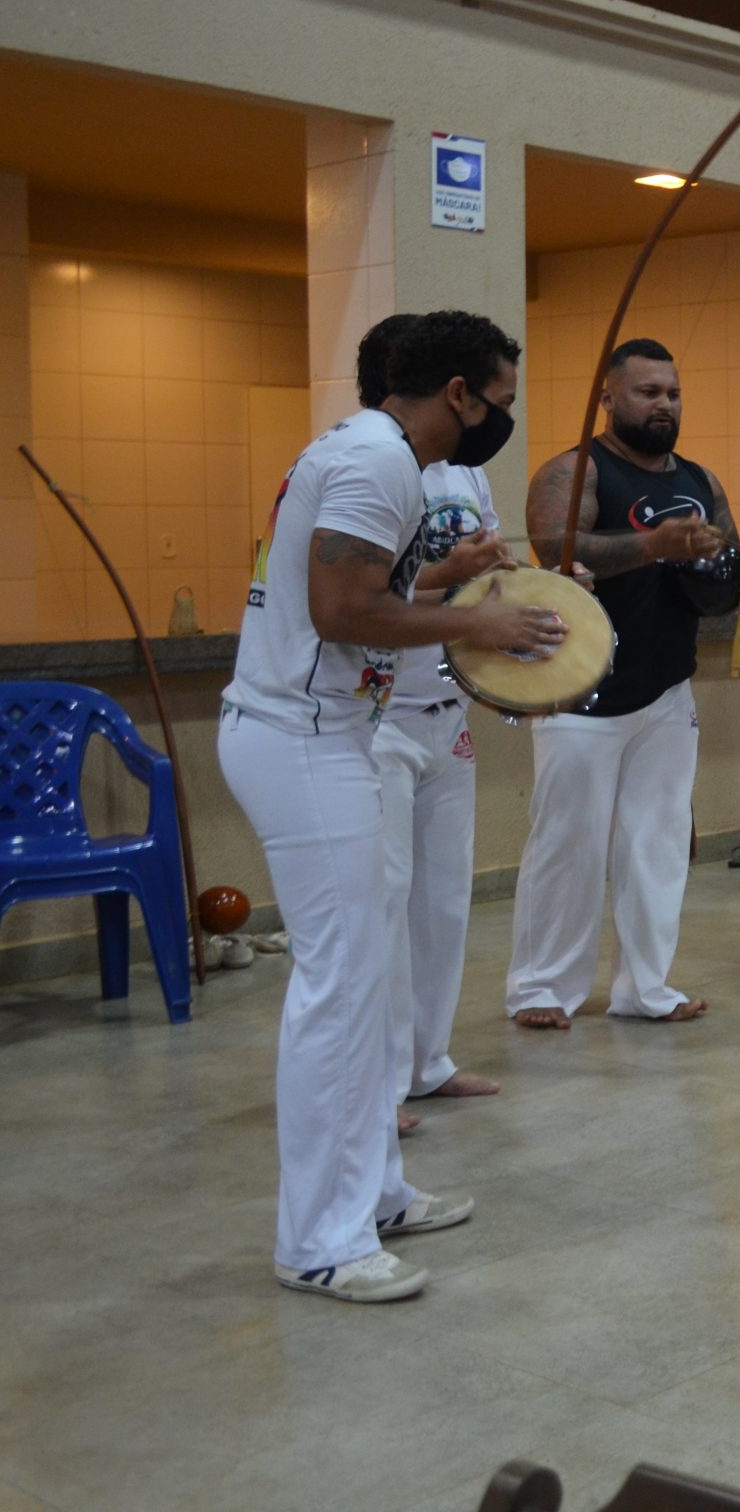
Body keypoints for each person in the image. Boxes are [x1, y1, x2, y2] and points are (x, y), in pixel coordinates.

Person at [219, 308, 554, 1302]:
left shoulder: (373, 453)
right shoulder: (377, 461)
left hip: (330, 733)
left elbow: (367, 588)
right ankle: (321, 1241)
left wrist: (453, 584)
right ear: (457, 393)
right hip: (302, 738)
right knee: (339, 986)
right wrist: (476, 622)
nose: (501, 418)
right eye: (498, 400)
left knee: (364, 980)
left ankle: (374, 1193)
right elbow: (341, 611)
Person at [508, 338, 740, 1027]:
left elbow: (724, 565)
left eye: (673, 394)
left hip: (666, 688)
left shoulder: (701, 481)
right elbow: (554, 548)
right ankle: (541, 989)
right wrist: (654, 546)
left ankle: (644, 988)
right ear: (609, 397)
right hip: (580, 691)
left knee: (657, 845)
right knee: (567, 844)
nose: (664, 405)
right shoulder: (576, 472)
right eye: (648, 392)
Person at [354, 313, 505, 1113]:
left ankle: (427, 1060)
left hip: (448, 710)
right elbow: (352, 596)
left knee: (443, 901)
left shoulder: (466, 476)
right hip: (381, 716)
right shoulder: (372, 468)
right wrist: (451, 575)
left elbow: (483, 575)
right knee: (383, 905)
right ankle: (377, 1084)